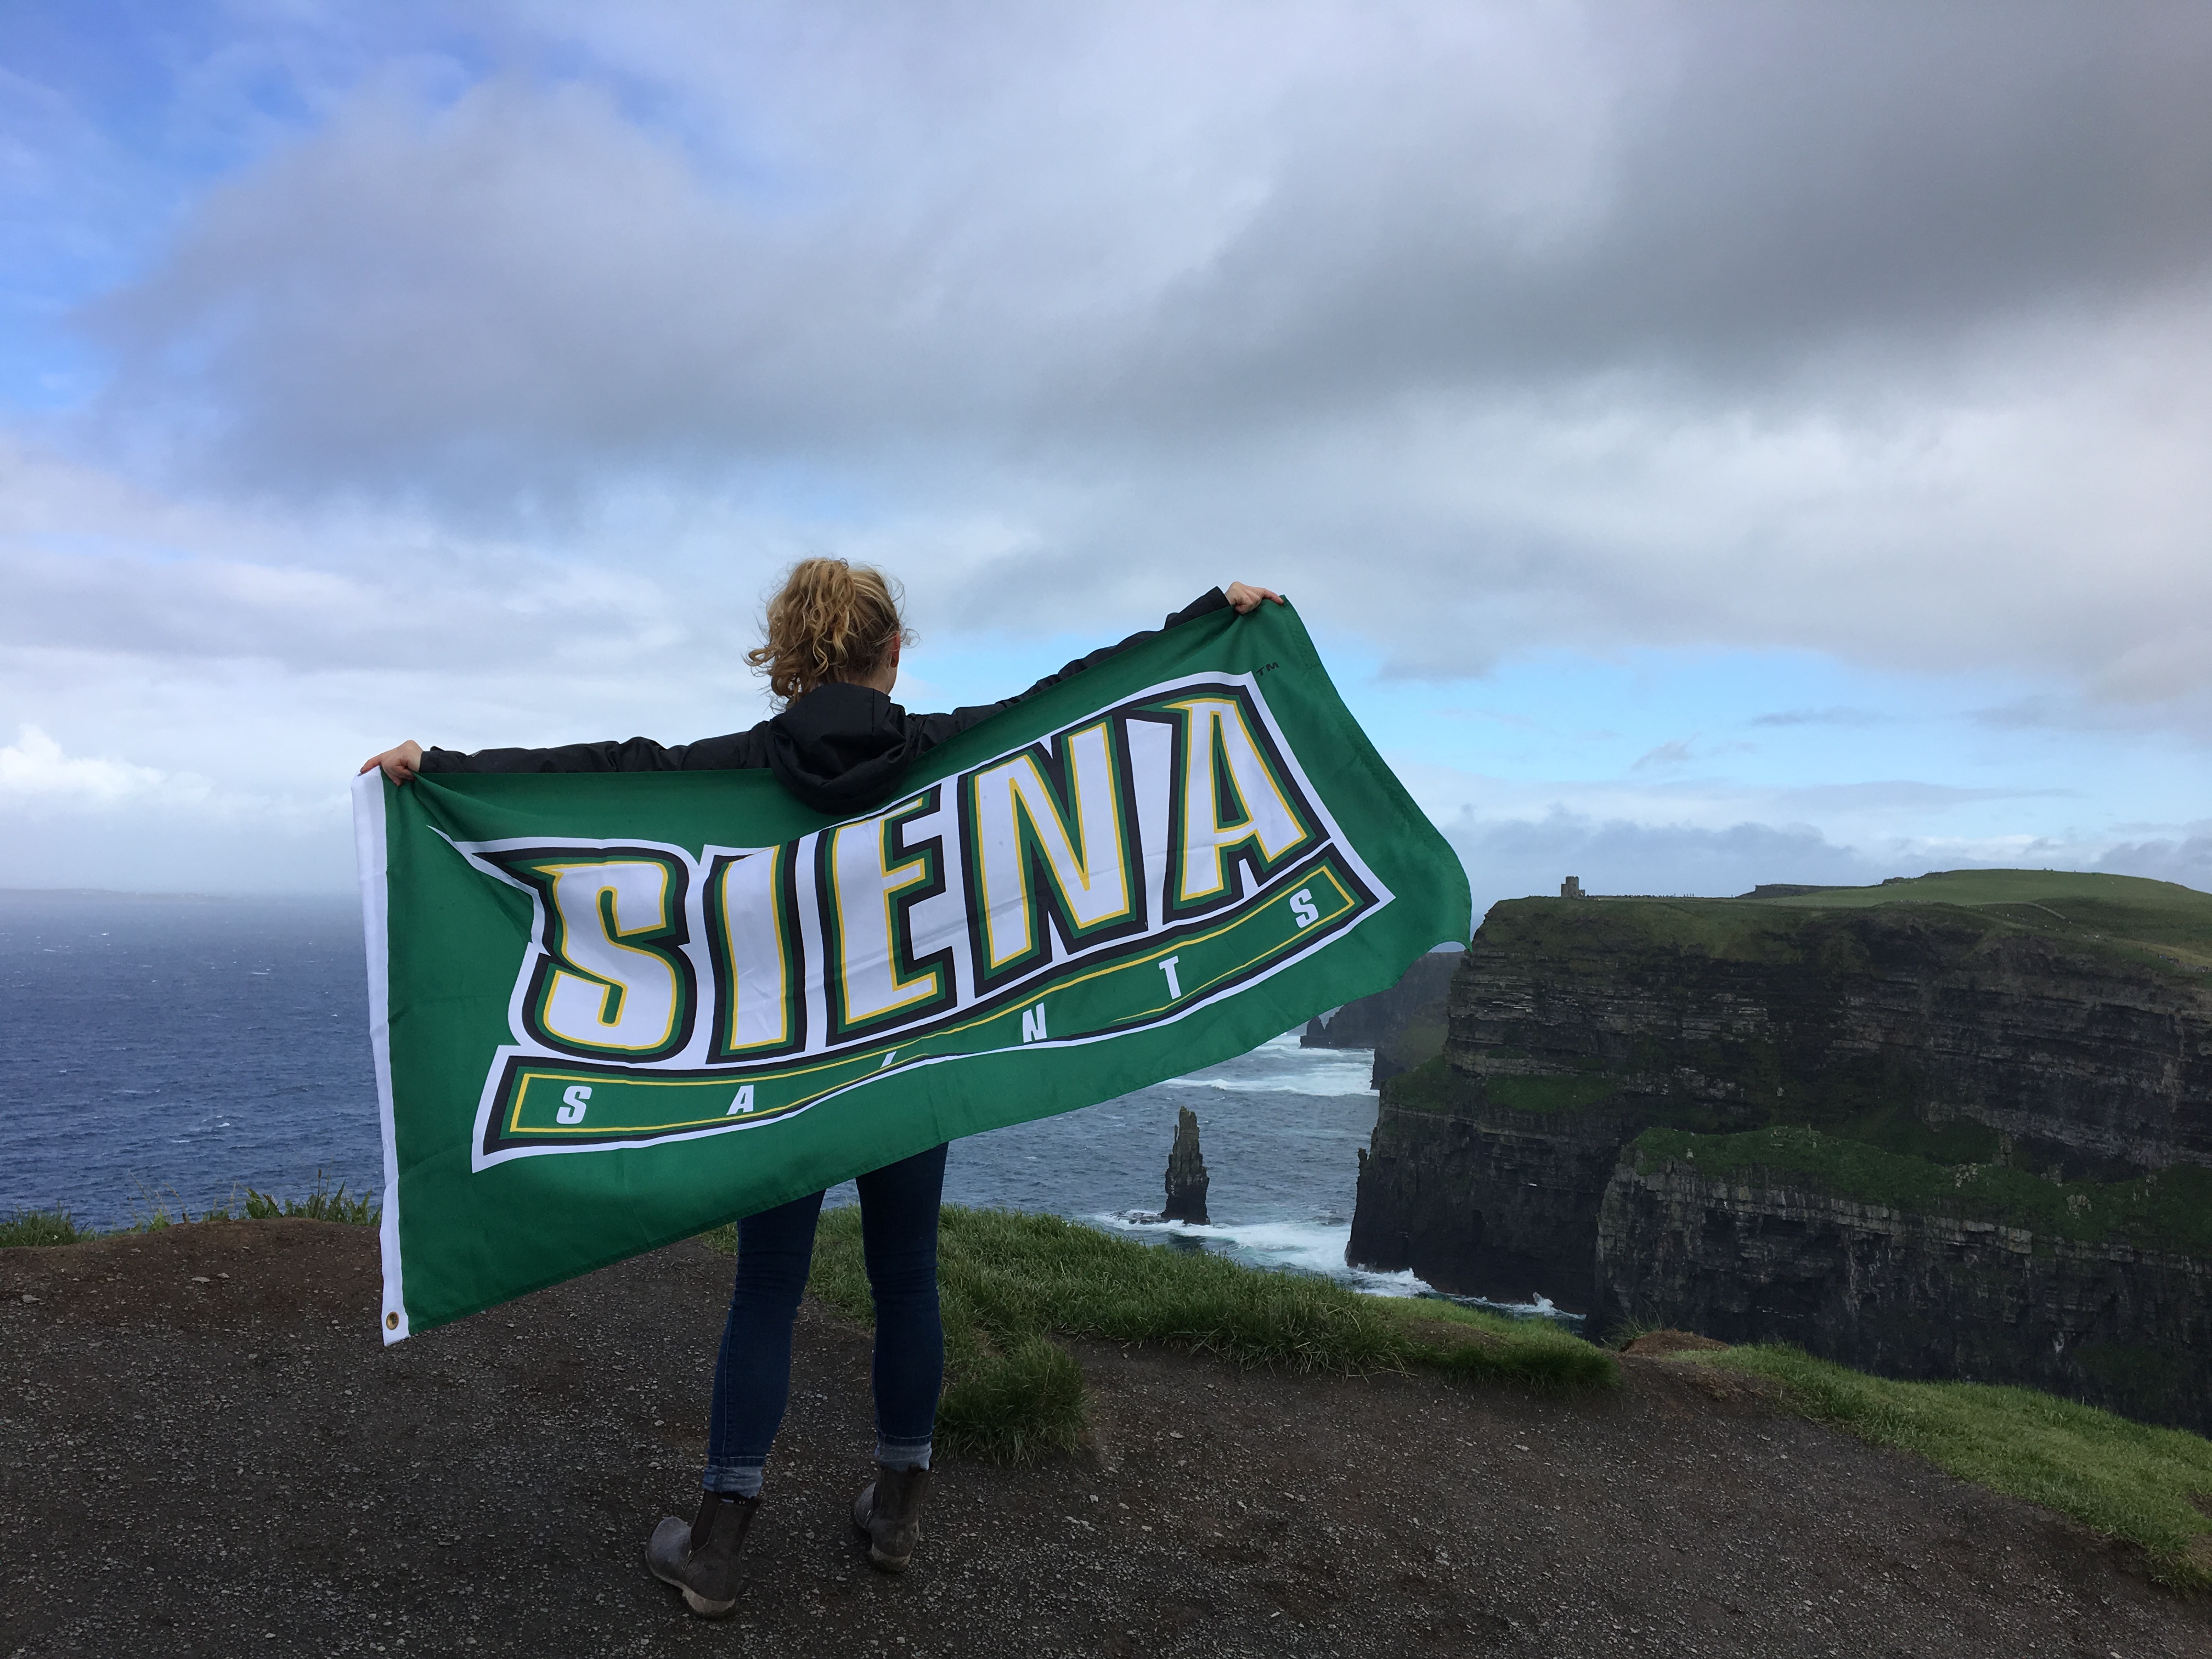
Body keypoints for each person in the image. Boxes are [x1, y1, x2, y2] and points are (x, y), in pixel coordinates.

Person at [361, 559, 1283, 1618]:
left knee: (768, 1291)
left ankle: (716, 1548)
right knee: (906, 1277)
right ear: (895, 653)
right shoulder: (953, 754)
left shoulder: (732, 773)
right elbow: (1069, 705)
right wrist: (1204, 625)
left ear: (786, 661)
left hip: (786, 1079)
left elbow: (608, 771)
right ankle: (894, 1516)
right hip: (907, 1066)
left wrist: (444, 766)